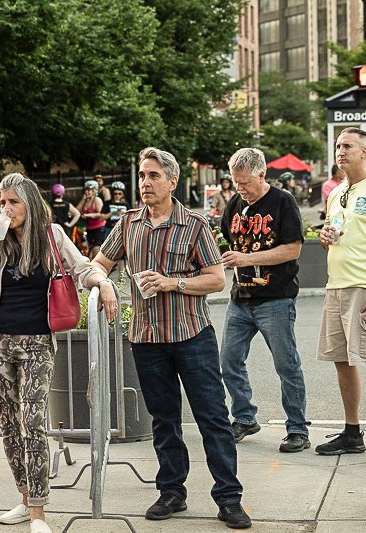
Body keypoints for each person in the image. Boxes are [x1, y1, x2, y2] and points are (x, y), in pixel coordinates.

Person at [91, 147, 251, 529]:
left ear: (172, 182)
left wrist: (170, 282)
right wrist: (104, 283)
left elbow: (216, 279)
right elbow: (97, 263)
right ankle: (171, 492)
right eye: (142, 176)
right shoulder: (128, 224)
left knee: (213, 418)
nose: (145, 183)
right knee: (163, 421)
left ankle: (229, 498)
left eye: (153, 176)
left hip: (191, 336)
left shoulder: (194, 224)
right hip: (146, 338)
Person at [0, 173, 115, 533]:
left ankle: (38, 513)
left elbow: (81, 267)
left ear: (29, 203)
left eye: (13, 202)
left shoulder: (51, 235)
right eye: (2, 202)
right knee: (9, 426)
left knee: (32, 423)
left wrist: (103, 283)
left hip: (36, 343)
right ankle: (24, 496)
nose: (6, 208)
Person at [218, 148, 311, 453]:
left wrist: (247, 258)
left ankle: (297, 429)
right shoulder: (235, 203)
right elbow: (225, 240)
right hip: (240, 298)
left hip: (276, 298)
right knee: (229, 361)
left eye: (245, 182)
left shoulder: (282, 201)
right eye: (235, 182)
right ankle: (244, 417)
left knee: (287, 365)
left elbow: (293, 249)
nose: (239, 188)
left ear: (261, 174)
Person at [315, 128, 366, 480]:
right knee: (342, 360)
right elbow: (332, 233)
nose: (341, 151)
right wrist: (324, 237)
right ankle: (352, 433)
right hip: (336, 285)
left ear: (365, 151)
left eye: (348, 146)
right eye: (338, 146)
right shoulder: (337, 192)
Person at [75, 180, 106, 258]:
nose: (87, 192)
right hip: (89, 229)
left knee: (96, 249)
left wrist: (88, 215)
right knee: (90, 248)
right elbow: (76, 211)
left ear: (94, 191)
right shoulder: (85, 200)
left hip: (98, 228)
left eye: (89, 190)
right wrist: (83, 200)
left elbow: (101, 214)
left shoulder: (97, 200)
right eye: (86, 190)